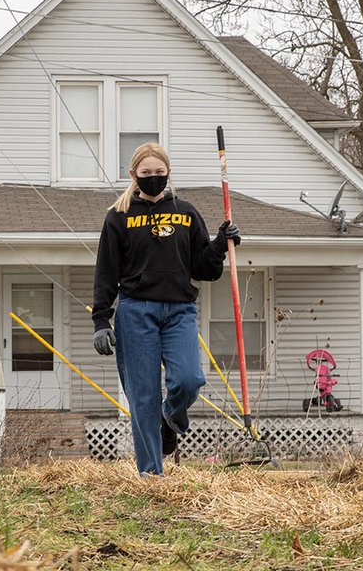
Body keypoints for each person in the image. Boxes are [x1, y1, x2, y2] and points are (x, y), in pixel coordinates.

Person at [91, 142, 241, 476]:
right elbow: (106, 271)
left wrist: (220, 244)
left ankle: (170, 416)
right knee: (142, 398)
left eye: (160, 173)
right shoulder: (118, 217)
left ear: (168, 173)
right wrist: (101, 319)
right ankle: (151, 476)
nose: (154, 179)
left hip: (179, 312)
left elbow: (204, 268)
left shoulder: (186, 212)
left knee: (189, 380)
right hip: (135, 312)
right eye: (147, 174)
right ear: (133, 175)